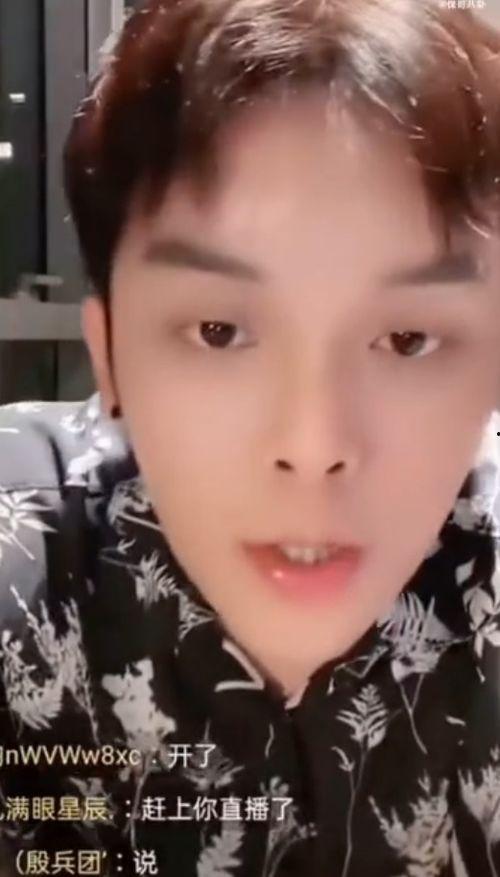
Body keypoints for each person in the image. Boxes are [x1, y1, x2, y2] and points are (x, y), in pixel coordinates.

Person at [1, 0, 500, 873]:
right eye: (220, 331)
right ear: (108, 353)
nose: (313, 443)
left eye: (407, 339)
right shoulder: (26, 554)